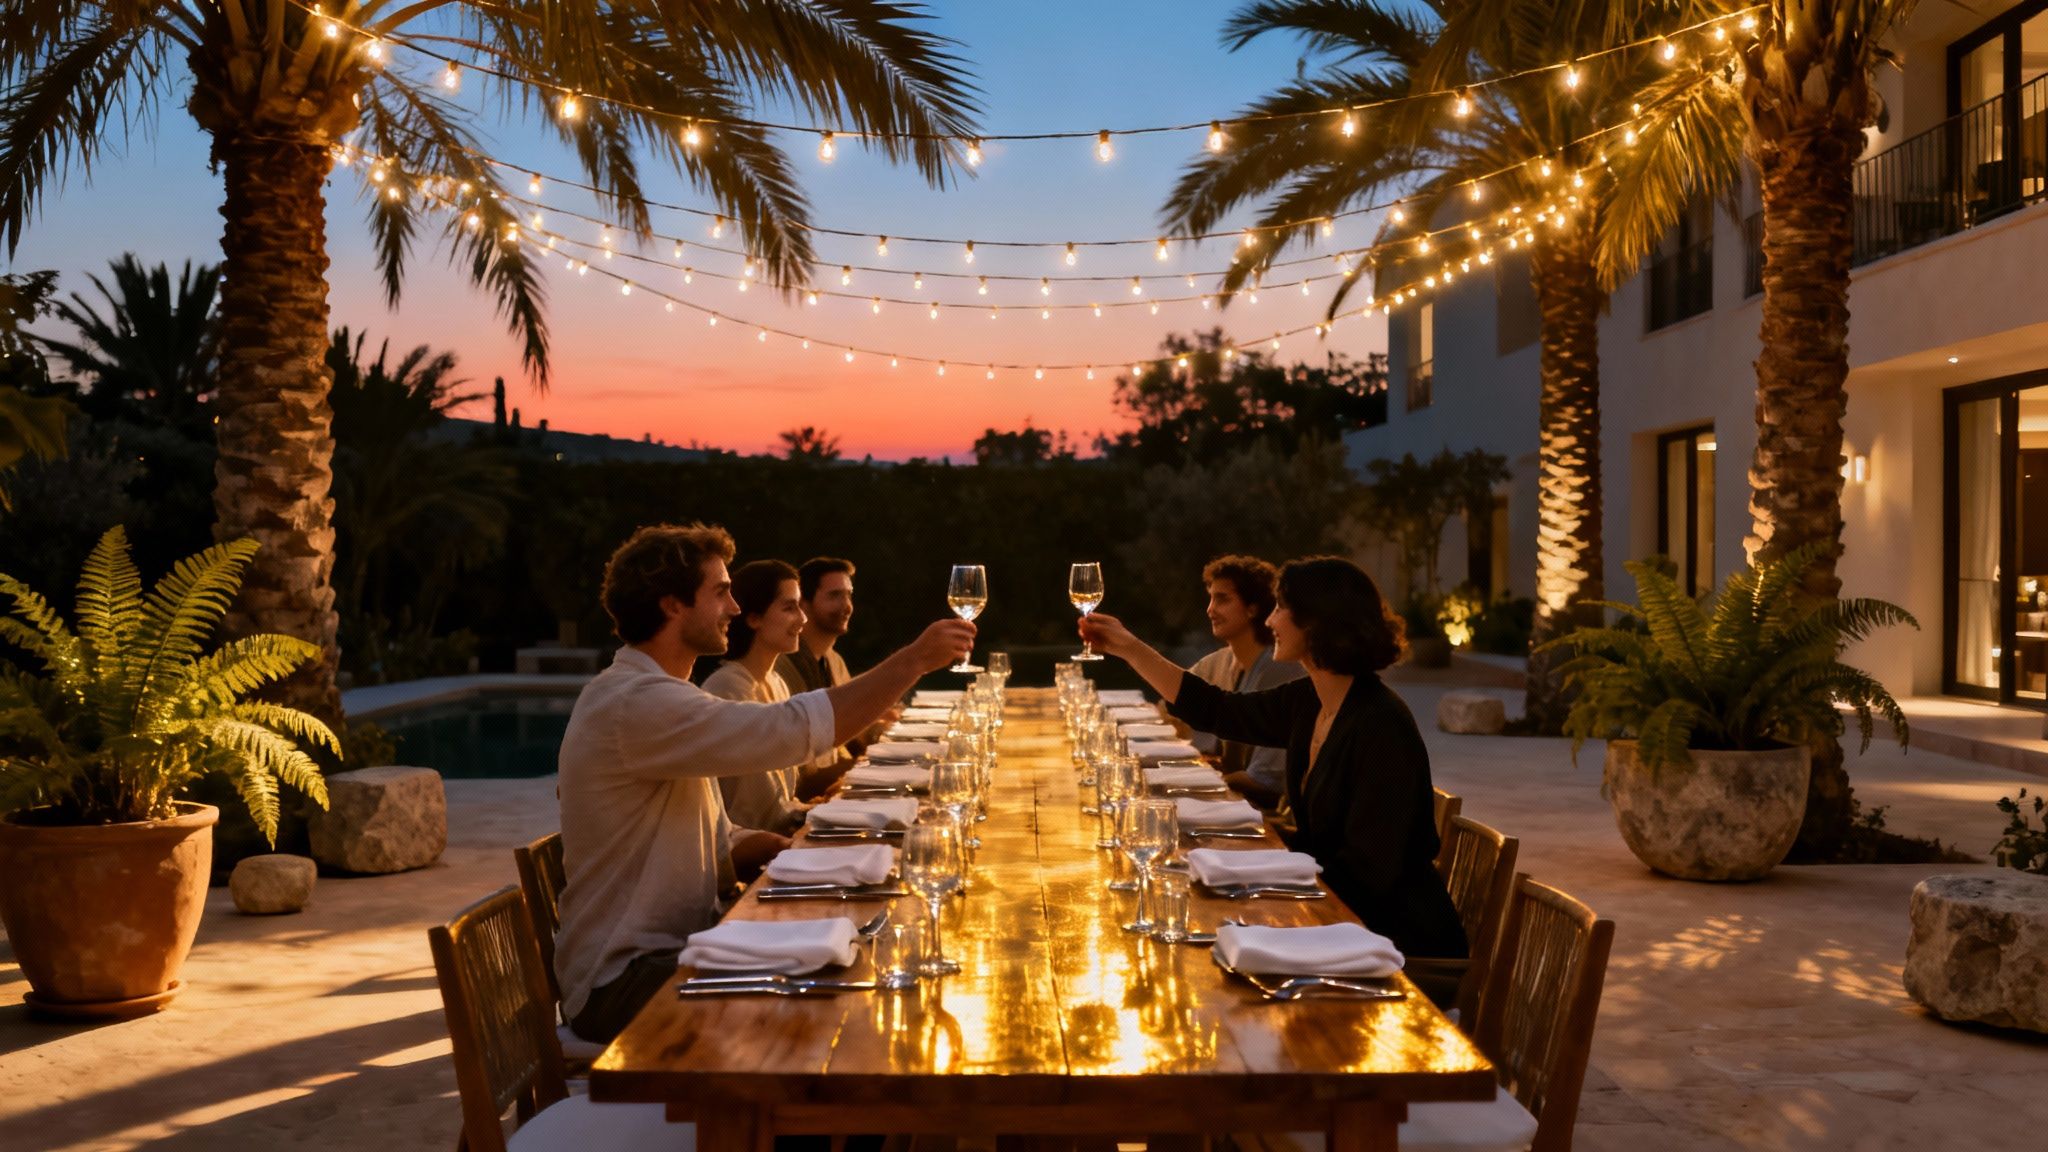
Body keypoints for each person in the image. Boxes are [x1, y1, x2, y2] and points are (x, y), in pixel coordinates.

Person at [554, 523, 974, 1044]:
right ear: (672, 606)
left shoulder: (660, 698)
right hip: (623, 980)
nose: (734, 608)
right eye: (720, 592)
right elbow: (786, 731)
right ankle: (794, 1123)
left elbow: (713, 833)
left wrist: (791, 850)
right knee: (835, 1011)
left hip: (685, 945)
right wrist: (913, 660)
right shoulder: (634, 703)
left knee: (851, 974)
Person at [1079, 555, 1468, 1003]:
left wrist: (1267, 890)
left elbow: (1370, 871)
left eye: (1281, 608)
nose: (1271, 619)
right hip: (1342, 927)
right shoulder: (1312, 699)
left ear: (1317, 622)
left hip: (1398, 947)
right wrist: (1129, 647)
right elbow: (1218, 709)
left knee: (1222, 982)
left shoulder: (1380, 725)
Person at [702, 559, 816, 835]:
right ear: (754, 618)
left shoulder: (776, 682)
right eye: (789, 608)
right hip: (749, 855)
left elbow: (779, 802)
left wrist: (808, 809)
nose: (803, 619)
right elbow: (753, 810)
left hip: (781, 840)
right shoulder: (727, 689)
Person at [1185, 555, 1304, 811]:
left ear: (1253, 607)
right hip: (1238, 806)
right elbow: (1174, 697)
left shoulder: (1278, 670)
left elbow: (1265, 780)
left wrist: (1195, 785)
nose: (1210, 610)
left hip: (1265, 816)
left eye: (1222, 599)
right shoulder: (1224, 660)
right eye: (1211, 598)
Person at [775, 556, 899, 759]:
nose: (847, 605)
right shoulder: (785, 668)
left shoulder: (834, 661)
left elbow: (848, 735)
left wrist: (880, 727)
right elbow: (808, 760)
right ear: (803, 604)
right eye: (834, 596)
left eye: (848, 595)